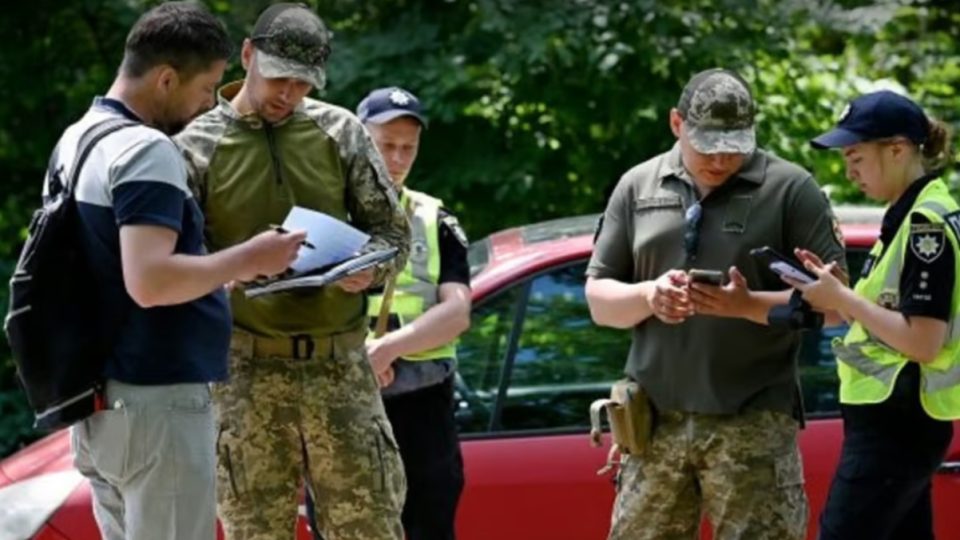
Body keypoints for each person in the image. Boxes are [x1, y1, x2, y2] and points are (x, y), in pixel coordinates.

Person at [64, 4, 305, 540]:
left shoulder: (79, 139)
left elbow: (114, 267)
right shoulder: (147, 149)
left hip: (103, 402)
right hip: (157, 403)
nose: (209, 104)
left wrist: (219, 274)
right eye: (207, 87)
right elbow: (149, 282)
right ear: (166, 78)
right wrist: (250, 257)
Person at [175, 4, 410, 540]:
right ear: (248, 55)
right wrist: (231, 272)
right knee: (254, 531)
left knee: (371, 528)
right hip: (245, 373)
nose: (288, 94)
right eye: (279, 78)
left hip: (341, 368)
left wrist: (367, 272)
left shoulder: (340, 131)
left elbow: (394, 235)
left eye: (303, 85)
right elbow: (174, 266)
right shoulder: (194, 147)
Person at [584, 68, 847, 540]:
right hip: (652, 424)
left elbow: (840, 306)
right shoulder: (638, 186)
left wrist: (746, 305)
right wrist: (649, 295)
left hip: (753, 423)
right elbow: (600, 302)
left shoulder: (790, 189)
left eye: (734, 143)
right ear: (676, 124)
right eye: (707, 143)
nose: (721, 158)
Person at [794, 90, 958, 540]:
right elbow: (886, 317)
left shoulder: (926, 225)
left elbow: (922, 341)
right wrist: (837, 294)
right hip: (899, 422)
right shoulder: (908, 216)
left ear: (898, 149)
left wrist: (844, 300)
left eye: (856, 157)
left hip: (896, 425)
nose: (849, 171)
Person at [358, 86, 471, 539]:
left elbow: (458, 312)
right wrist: (359, 354)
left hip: (423, 406)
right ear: (360, 139)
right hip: (348, 402)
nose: (398, 158)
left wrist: (387, 349)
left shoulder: (435, 218)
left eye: (409, 147)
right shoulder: (326, 213)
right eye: (387, 145)